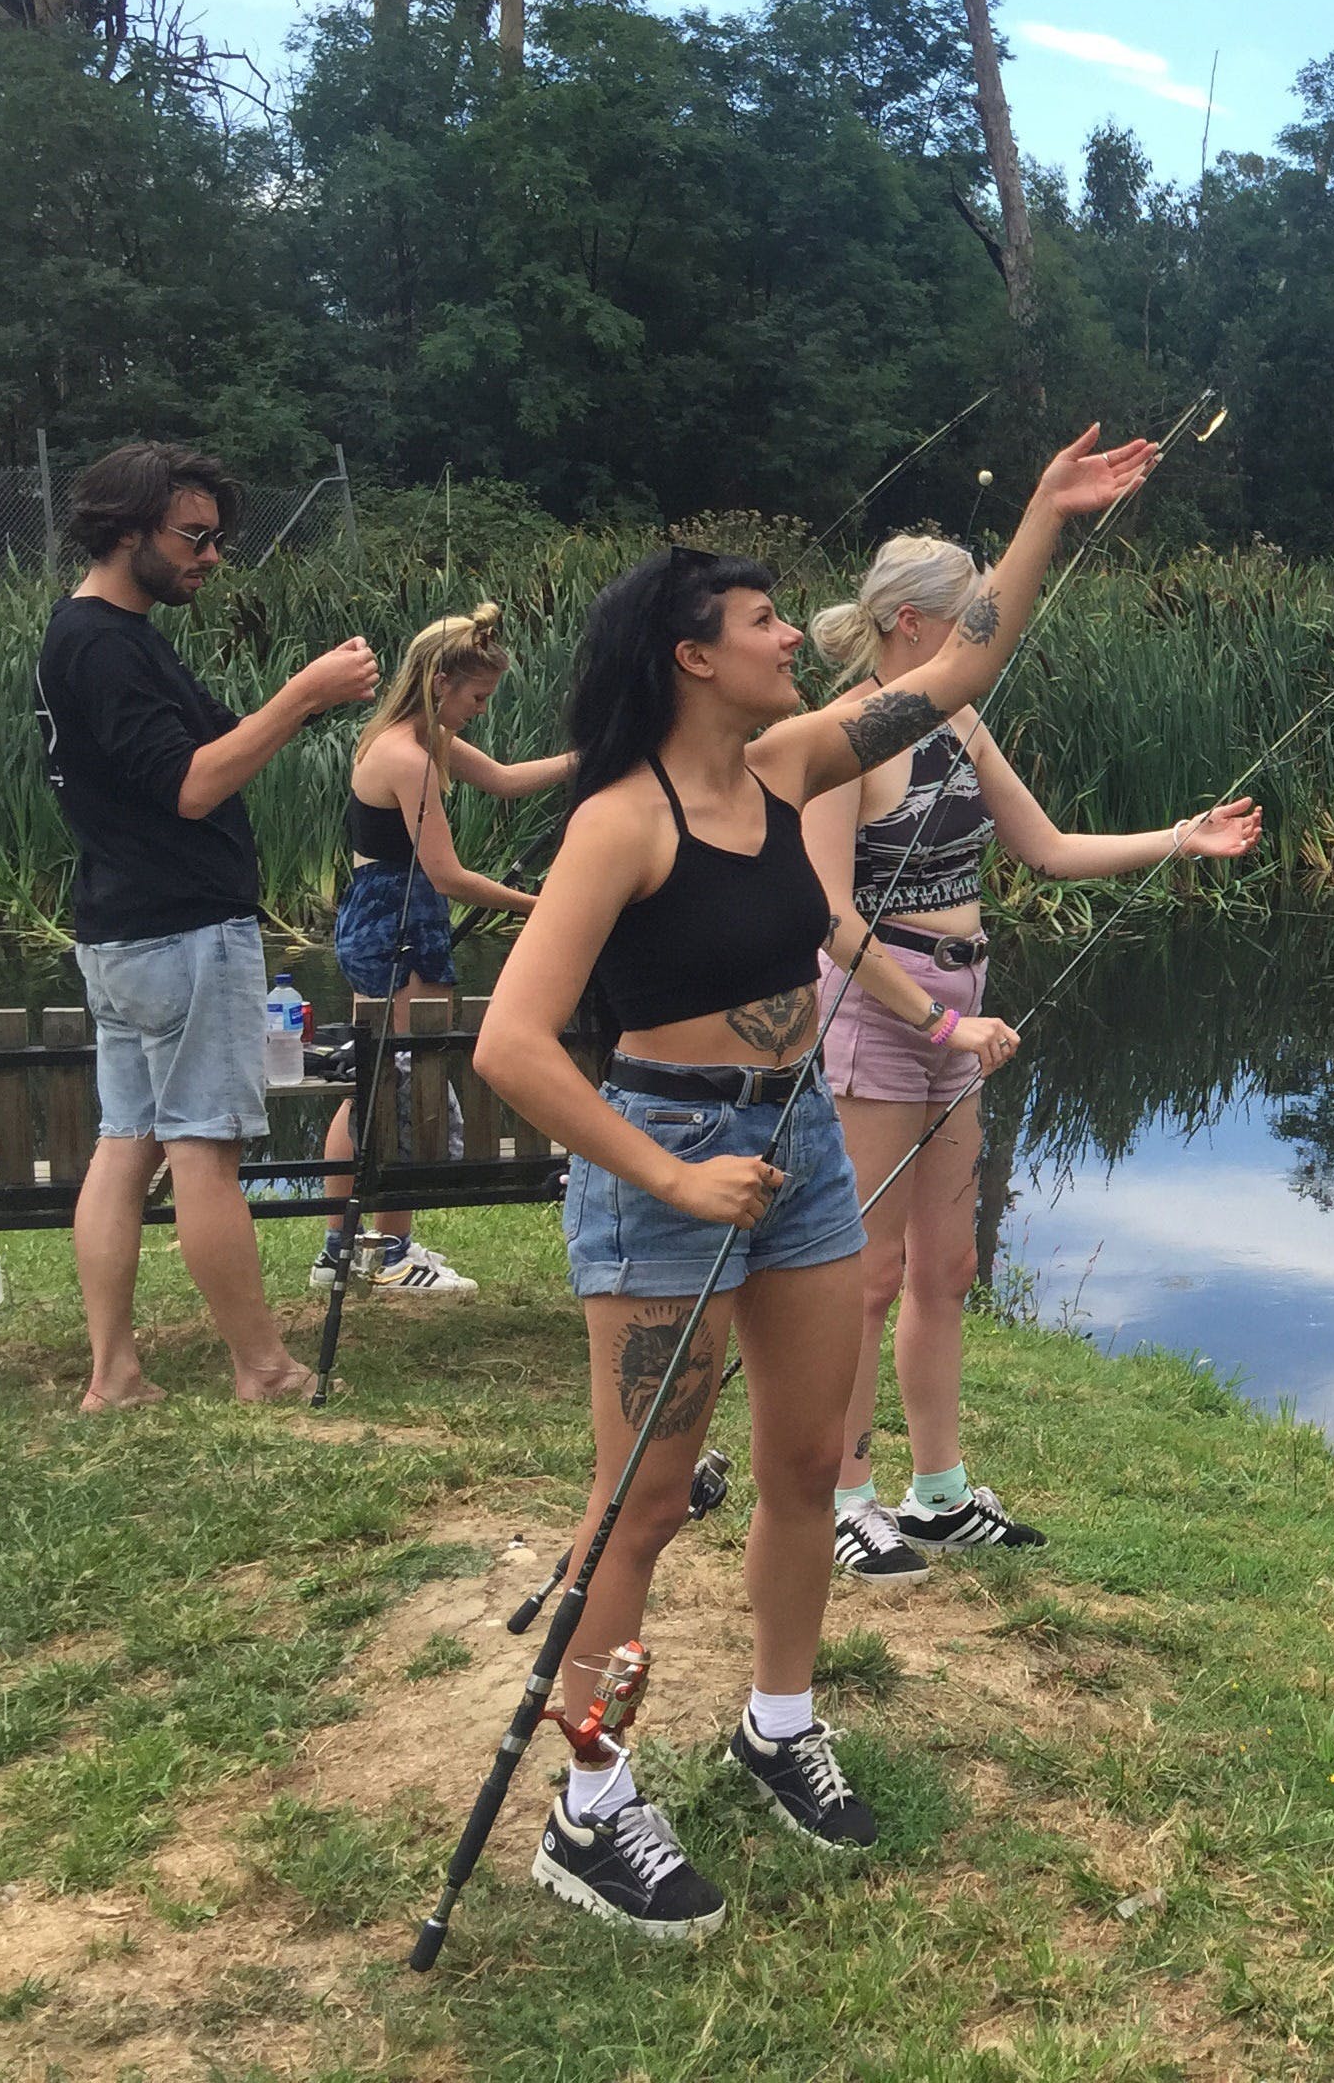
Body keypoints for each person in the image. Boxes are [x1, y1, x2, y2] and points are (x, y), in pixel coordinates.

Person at [469, 425, 1152, 1941]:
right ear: (691, 657)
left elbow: (958, 673)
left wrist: (1045, 513)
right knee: (640, 1506)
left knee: (795, 1473)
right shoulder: (620, 821)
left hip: (797, 1160)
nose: (796, 636)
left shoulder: (784, 768)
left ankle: (779, 1722)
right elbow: (514, 1047)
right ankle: (590, 1806)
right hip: (667, 1170)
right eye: (766, 622)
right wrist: (664, 1169)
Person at [800, 536, 1263, 1585]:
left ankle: (940, 1493)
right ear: (909, 624)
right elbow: (829, 920)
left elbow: (1046, 847)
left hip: (956, 1006)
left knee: (947, 1269)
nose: (986, 638)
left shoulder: (959, 721)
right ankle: (843, 1497)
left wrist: (1181, 839)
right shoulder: (836, 739)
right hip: (883, 1017)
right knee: (866, 1279)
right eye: (973, 616)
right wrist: (936, 1022)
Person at [34, 443, 379, 1411]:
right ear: (128, 529)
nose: (212, 556)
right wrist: (304, 693)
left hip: (120, 933)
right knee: (204, 1149)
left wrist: (330, 706)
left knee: (126, 1141)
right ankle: (262, 1368)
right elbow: (191, 787)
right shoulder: (104, 645)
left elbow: (220, 739)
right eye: (195, 537)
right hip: (182, 935)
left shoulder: (102, 634)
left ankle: (115, 1375)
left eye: (217, 539)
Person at [312, 602, 572, 1294]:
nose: (481, 710)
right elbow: (448, 875)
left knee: (379, 1083)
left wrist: (586, 759)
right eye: (478, 697)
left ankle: (342, 1248)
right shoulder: (409, 758)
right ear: (440, 685)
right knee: (397, 1088)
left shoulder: (410, 738)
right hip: (397, 920)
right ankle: (389, 1253)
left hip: (386, 913)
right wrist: (542, 906)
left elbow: (507, 781)